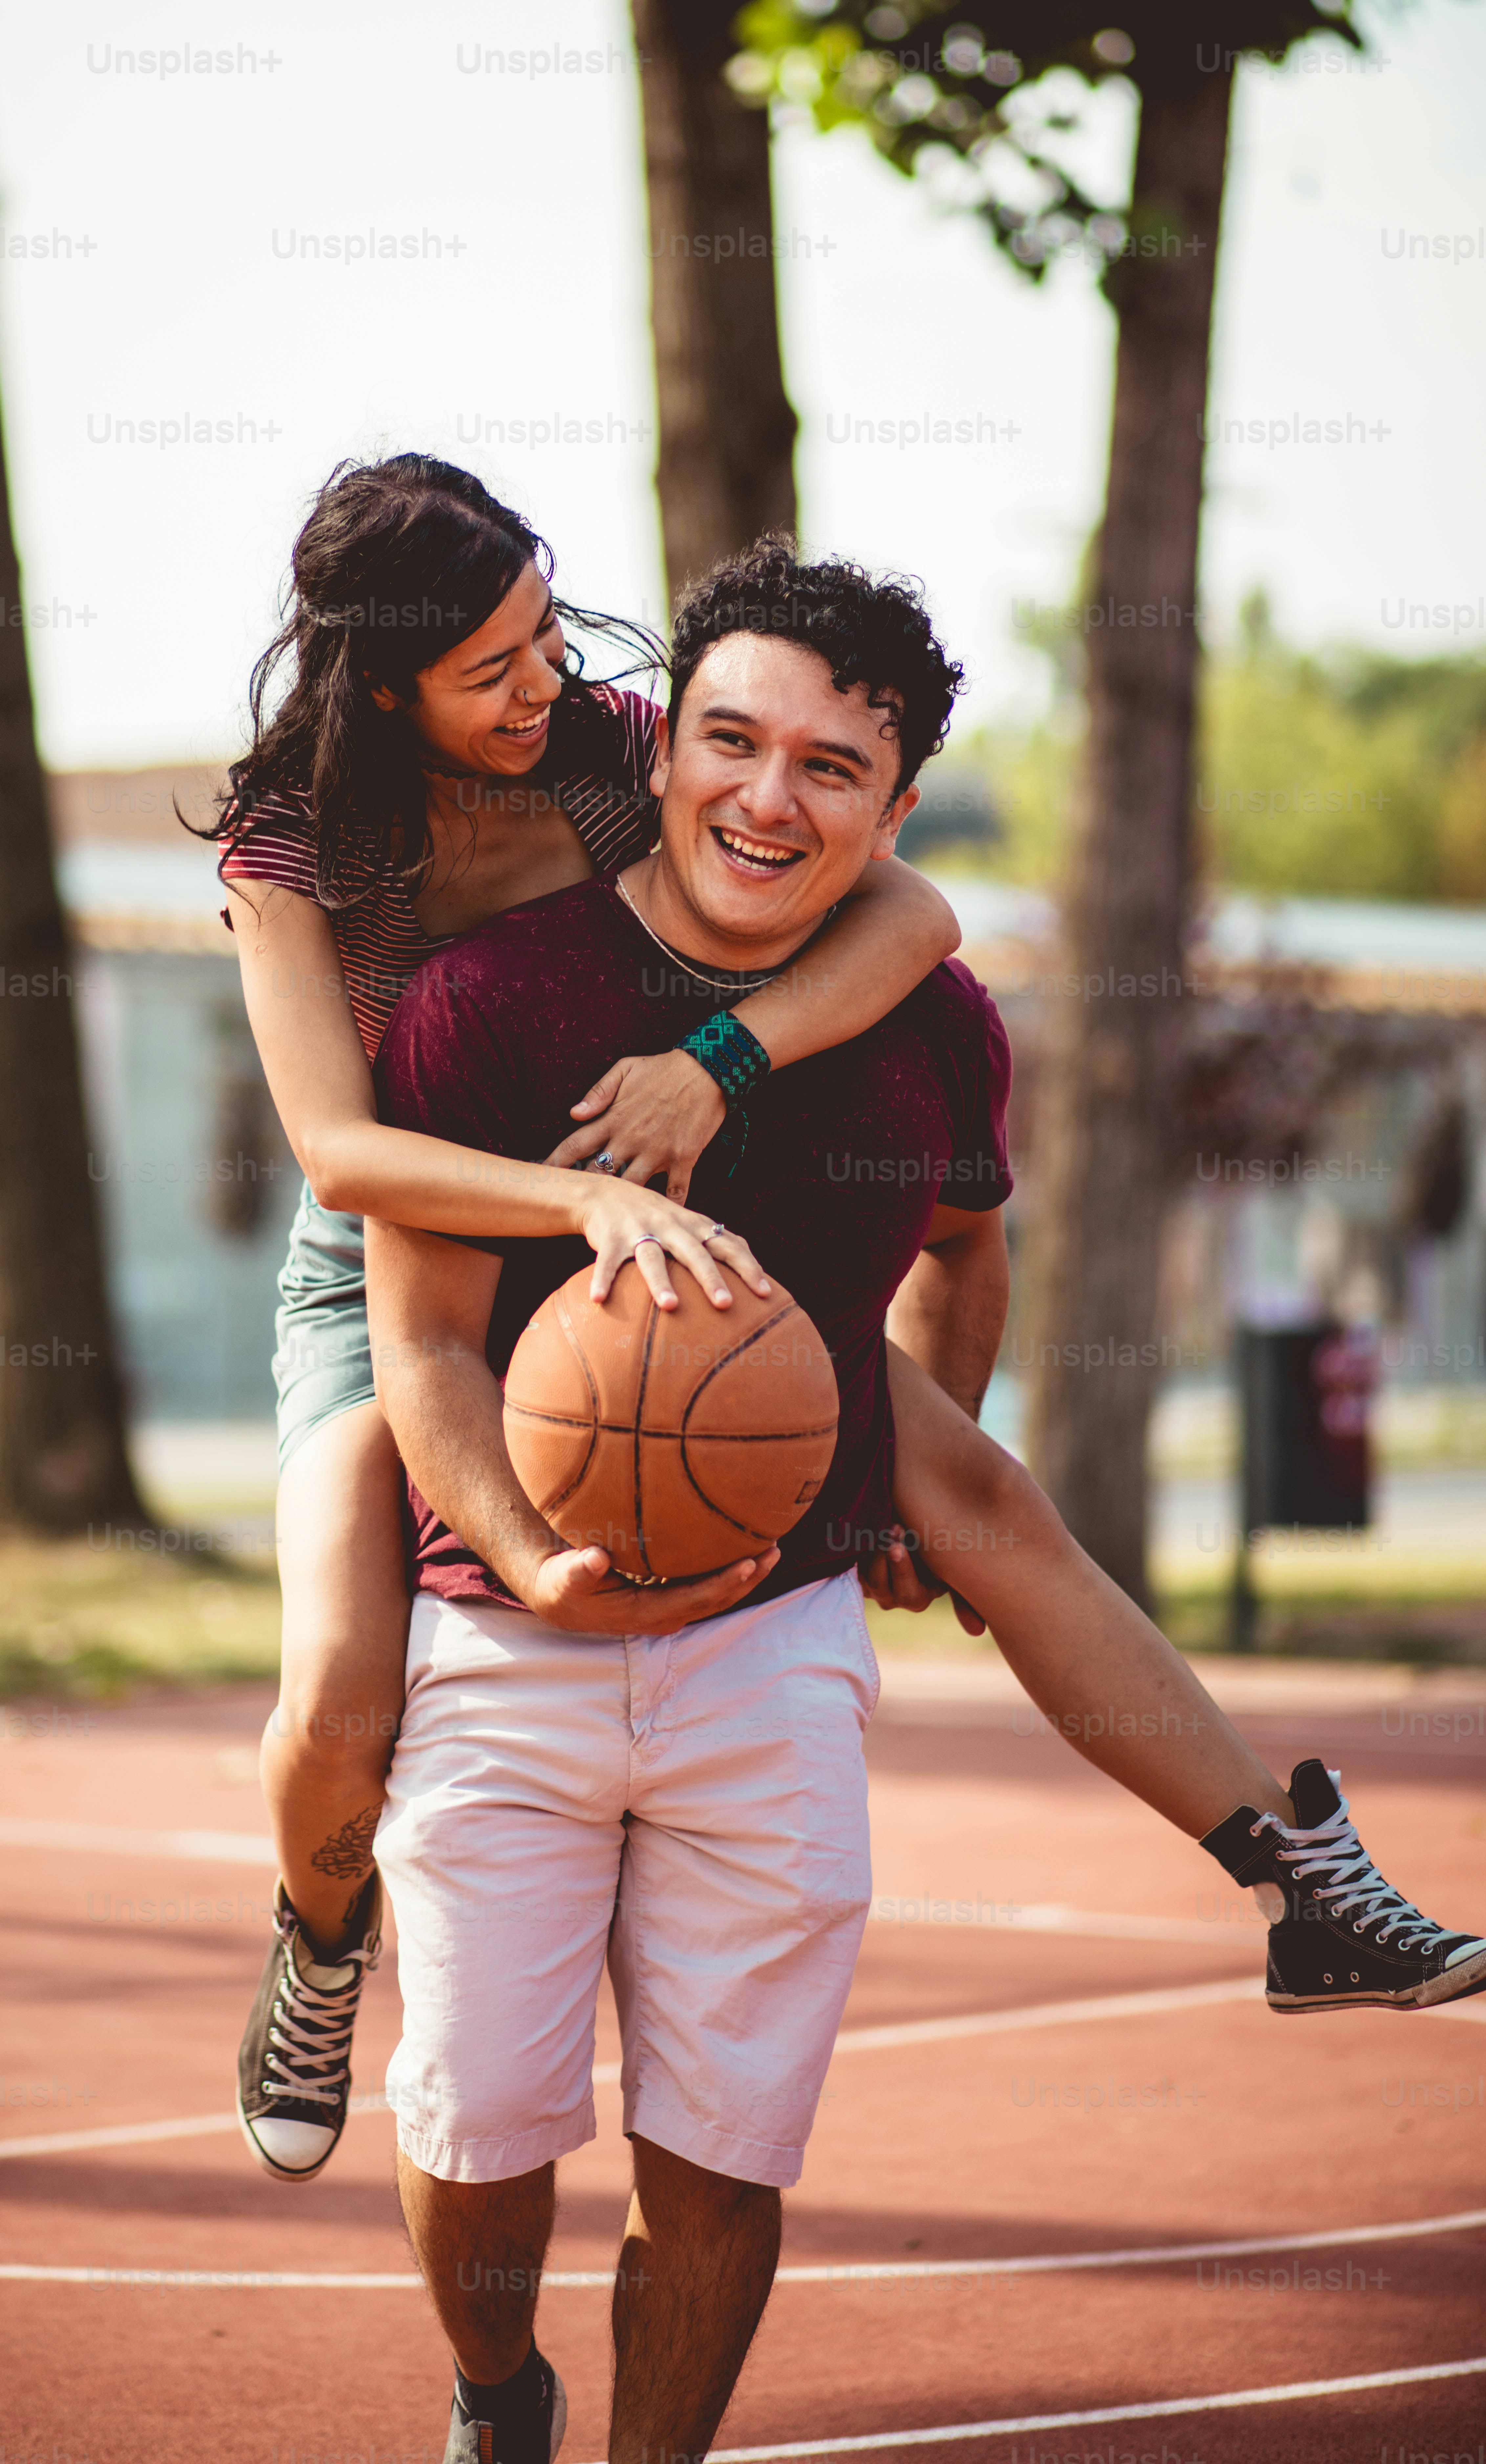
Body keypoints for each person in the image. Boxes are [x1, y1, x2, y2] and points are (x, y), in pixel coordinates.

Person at [362, 543, 1486, 2464]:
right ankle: (499, 2391)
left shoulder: (934, 1016)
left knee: (725, 2150)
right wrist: (530, 1558)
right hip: (510, 1627)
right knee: (478, 2133)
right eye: (730, 741)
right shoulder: (497, 1000)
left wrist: (912, 1462)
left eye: (833, 768)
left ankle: (1289, 1867)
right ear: (662, 756)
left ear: (897, 811)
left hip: (776, 1635)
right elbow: (424, 1344)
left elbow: (965, 1255)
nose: (768, 795)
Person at [212, 457, 961, 2183]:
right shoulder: (293, 846)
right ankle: (322, 1944)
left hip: (669, 1212)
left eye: (545, 631)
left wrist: (719, 1061)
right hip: (405, 1248)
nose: (542, 679)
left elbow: (913, 913)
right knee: (341, 1681)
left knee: (975, 1493)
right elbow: (338, 1152)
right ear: (382, 683)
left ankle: (1276, 1852)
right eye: (492, 666)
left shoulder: (620, 747)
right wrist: (579, 1200)